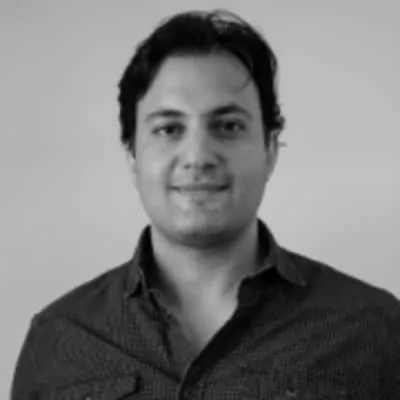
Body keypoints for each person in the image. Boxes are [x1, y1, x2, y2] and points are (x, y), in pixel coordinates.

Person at [11, 9, 400, 399]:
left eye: (228, 126)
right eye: (169, 129)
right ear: (132, 156)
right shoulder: (57, 340)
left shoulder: (375, 329)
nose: (197, 156)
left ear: (270, 149)